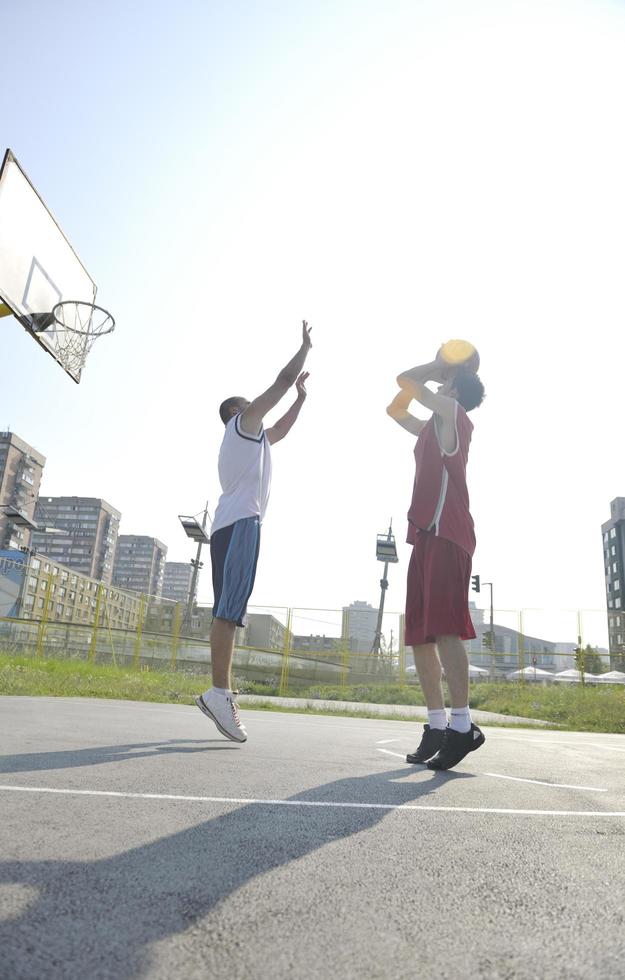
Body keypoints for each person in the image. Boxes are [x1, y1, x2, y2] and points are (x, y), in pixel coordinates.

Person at [195, 321, 312, 742]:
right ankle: (219, 693)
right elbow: (278, 383)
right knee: (230, 611)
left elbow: (280, 429)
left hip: (233, 523)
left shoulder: (254, 438)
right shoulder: (242, 424)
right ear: (237, 411)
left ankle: (218, 693)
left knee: (227, 609)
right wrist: (305, 349)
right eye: (250, 405)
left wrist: (300, 399)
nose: (257, 409)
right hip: (242, 522)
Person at [387, 348, 485, 770]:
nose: (438, 385)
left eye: (443, 382)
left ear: (451, 389)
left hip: (449, 532)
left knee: (445, 630)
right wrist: (439, 369)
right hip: (426, 534)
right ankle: (437, 725)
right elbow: (395, 407)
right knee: (420, 636)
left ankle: (463, 727)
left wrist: (436, 364)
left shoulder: (453, 414)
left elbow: (406, 379)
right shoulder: (431, 427)